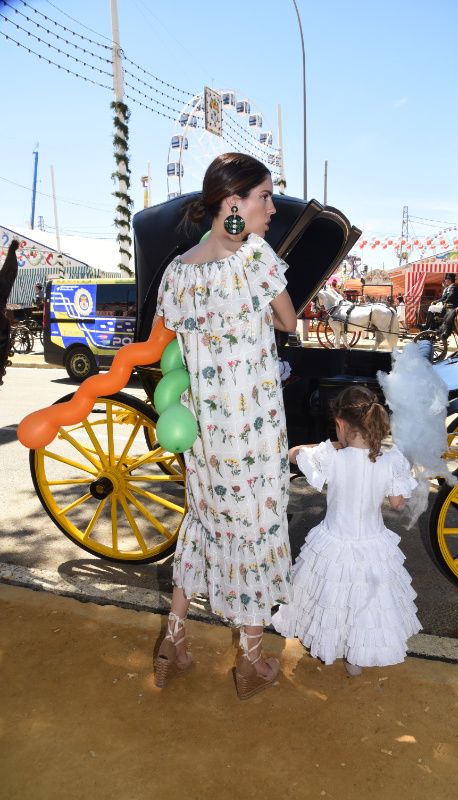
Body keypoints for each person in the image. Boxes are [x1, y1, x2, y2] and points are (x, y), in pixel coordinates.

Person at [154, 153, 297, 699]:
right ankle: (251, 662)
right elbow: (287, 320)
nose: (272, 206)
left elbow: (165, 341)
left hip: (207, 431)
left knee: (207, 523)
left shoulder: (179, 271)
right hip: (253, 426)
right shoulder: (255, 258)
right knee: (254, 529)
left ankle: (175, 640)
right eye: (263, 196)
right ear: (232, 205)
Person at [271, 385, 421, 676]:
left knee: (332, 597)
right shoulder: (391, 461)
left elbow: (293, 454)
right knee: (366, 602)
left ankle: (334, 644)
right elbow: (398, 503)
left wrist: (328, 446)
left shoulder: (332, 457)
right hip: (373, 543)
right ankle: (356, 659)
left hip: (334, 541)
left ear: (340, 423)